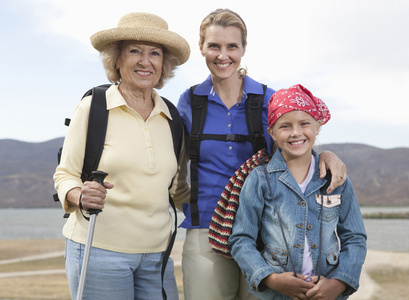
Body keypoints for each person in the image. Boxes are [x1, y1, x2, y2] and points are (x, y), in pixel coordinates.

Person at [176, 9, 348, 300]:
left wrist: (326, 153)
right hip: (204, 227)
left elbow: (296, 141)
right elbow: (173, 163)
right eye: (214, 46)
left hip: (265, 229)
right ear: (202, 47)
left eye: (232, 46)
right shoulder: (190, 101)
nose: (223, 55)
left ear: (243, 48)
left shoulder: (269, 98)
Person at [53, 12, 190, 300]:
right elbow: (64, 174)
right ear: (116, 59)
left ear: (163, 64)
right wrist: (79, 195)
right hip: (100, 251)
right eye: (134, 51)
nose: (145, 60)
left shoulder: (172, 117)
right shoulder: (94, 107)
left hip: (158, 255)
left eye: (154, 53)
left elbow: (177, 189)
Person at [229, 84, 367, 300]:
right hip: (276, 294)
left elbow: (355, 237)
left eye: (304, 123)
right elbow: (241, 239)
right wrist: (270, 279)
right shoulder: (259, 179)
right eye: (285, 126)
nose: (296, 133)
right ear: (272, 132)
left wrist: (339, 283)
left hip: (328, 293)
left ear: (317, 126)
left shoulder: (336, 179)